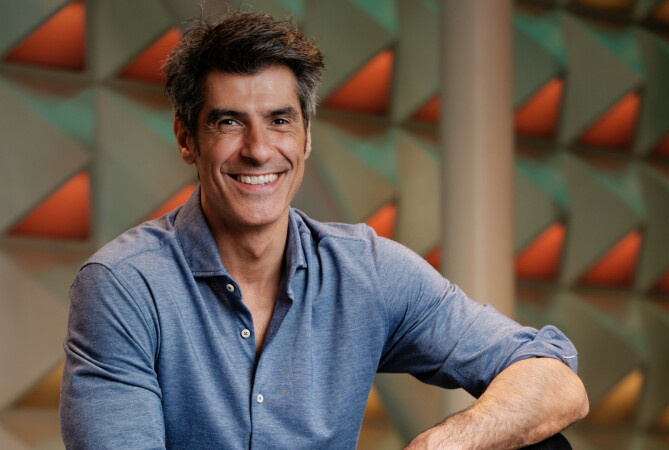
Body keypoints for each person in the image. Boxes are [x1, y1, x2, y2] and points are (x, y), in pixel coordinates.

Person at [60, 11, 588, 449]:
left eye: (280, 120)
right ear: (186, 138)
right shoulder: (125, 285)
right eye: (229, 122)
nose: (258, 150)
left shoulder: (366, 271)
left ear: (307, 136)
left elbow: (554, 378)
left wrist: (444, 444)